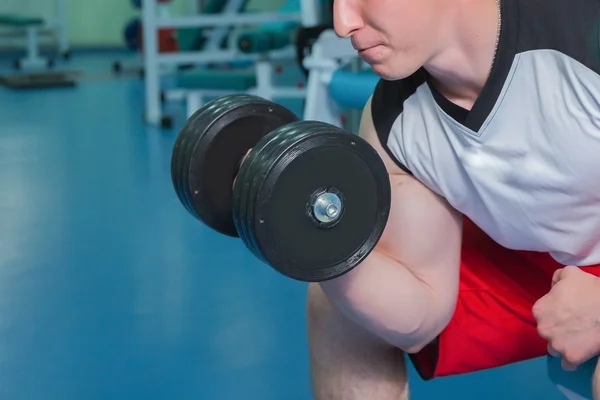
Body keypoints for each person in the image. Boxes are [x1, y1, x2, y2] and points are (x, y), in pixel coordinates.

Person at [306, 0, 600, 398]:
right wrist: (314, 240)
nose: (343, 24)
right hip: (546, 270)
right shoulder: (391, 122)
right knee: (340, 300)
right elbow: (422, 316)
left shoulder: (584, 33)